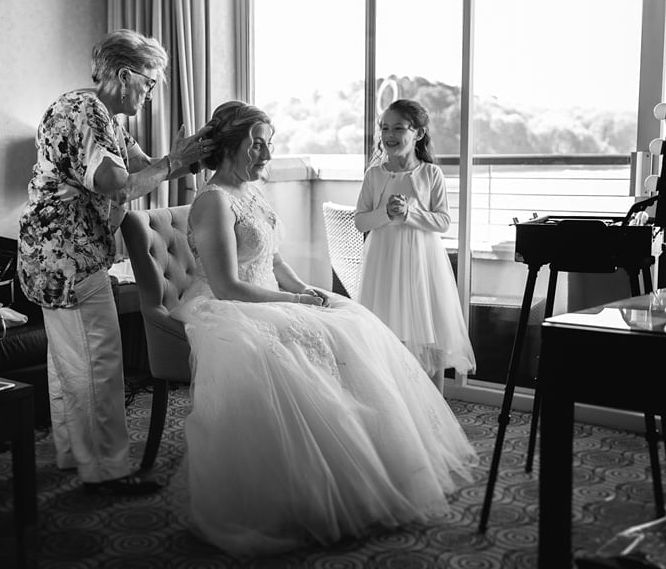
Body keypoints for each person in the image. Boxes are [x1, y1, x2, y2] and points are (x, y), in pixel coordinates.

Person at [169, 100, 479, 557]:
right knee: (302, 343)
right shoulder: (213, 202)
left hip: (268, 294)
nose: (267, 156)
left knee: (353, 320)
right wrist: (294, 301)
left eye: (268, 145)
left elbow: (274, 261)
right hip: (228, 307)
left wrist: (308, 290)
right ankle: (306, 478)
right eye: (258, 145)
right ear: (232, 146)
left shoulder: (252, 192)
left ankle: (368, 459)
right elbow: (229, 286)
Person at [17, 29, 213, 496]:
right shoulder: (84, 113)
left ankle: (74, 456)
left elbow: (148, 166)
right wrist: (170, 163)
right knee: (97, 363)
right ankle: (105, 472)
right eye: (148, 83)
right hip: (69, 258)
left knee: (68, 363)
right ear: (125, 75)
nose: (150, 94)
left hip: (50, 256)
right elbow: (120, 186)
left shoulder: (99, 114)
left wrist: (196, 153)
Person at [355, 99, 476, 392]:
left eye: (398, 127)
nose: (389, 134)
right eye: (384, 128)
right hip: (384, 262)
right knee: (387, 333)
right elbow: (360, 221)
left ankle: (435, 411)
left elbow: (443, 221)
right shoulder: (375, 174)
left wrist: (409, 213)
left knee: (428, 334)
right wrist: (387, 212)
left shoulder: (431, 174)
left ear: (418, 133)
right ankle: (396, 405)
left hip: (423, 262)